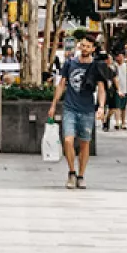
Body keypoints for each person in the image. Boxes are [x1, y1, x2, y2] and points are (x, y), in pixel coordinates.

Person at [48, 36, 107, 190]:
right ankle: (72, 172)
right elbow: (61, 84)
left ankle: (81, 175)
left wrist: (101, 107)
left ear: (93, 48)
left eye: (88, 46)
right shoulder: (70, 63)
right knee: (68, 140)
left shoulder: (96, 66)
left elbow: (101, 88)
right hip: (70, 108)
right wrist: (54, 105)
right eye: (83, 45)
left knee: (85, 143)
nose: (85, 48)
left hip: (87, 109)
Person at [109, 51, 127, 130]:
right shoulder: (113, 67)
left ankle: (123, 122)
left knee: (124, 107)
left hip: (125, 88)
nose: (119, 58)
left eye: (120, 56)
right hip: (116, 89)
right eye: (118, 56)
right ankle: (117, 122)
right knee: (117, 106)